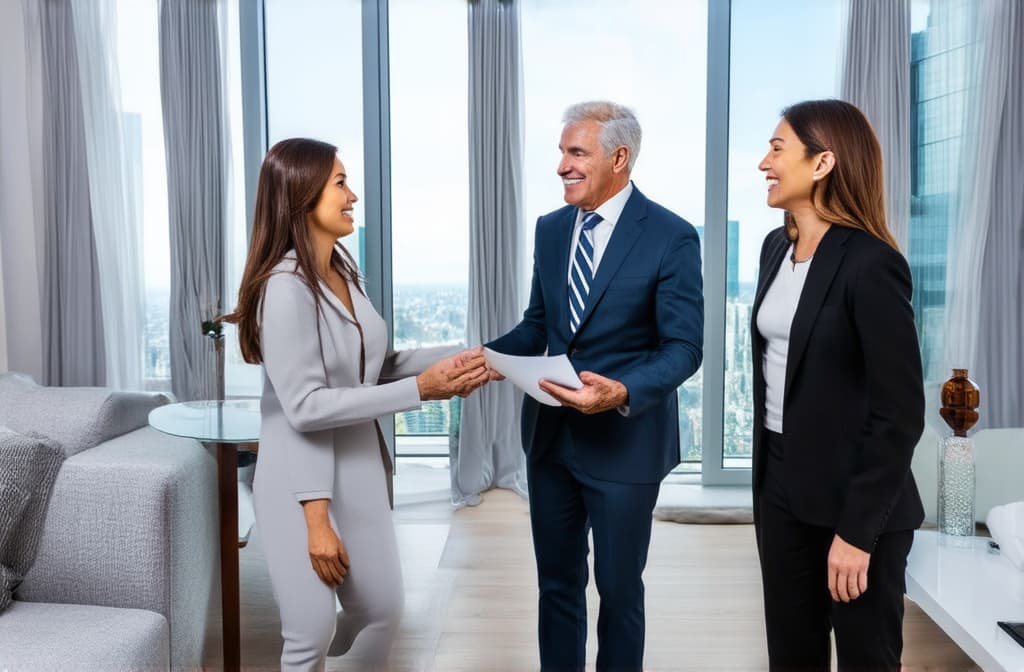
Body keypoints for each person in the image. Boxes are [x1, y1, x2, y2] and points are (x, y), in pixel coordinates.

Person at [222, 137, 488, 672]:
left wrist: (457, 358)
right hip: (301, 482)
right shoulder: (284, 287)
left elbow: (372, 366)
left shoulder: (341, 273)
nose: (353, 196)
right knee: (310, 632)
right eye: (340, 183)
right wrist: (423, 391)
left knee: (383, 611)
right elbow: (304, 406)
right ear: (302, 195)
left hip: (361, 469)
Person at [487, 101, 703, 671]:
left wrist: (622, 392)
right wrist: (489, 357)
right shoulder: (551, 230)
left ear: (619, 158)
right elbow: (540, 323)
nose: (561, 165)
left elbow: (683, 348)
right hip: (551, 439)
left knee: (618, 588)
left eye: (575, 152)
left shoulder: (672, 236)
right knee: (557, 586)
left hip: (625, 444)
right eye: (561, 152)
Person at [751, 99, 925, 671]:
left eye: (777, 149)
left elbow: (899, 414)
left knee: (865, 660)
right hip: (780, 485)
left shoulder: (872, 264)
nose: (763, 164)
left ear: (822, 162)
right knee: (791, 656)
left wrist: (856, 534)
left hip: (856, 498)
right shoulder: (776, 248)